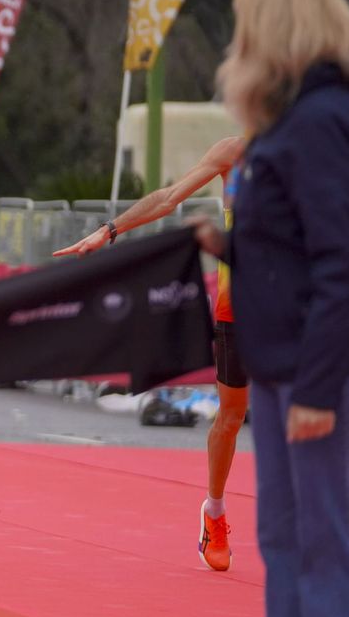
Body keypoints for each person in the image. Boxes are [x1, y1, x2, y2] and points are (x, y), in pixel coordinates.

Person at [199, 0, 349, 617]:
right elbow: (292, 248)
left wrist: (317, 387)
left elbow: (345, 263)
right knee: (285, 546)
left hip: (321, 371)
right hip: (281, 367)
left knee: (329, 546)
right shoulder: (289, 123)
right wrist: (224, 245)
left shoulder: (326, 120)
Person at [55, 135, 250, 572]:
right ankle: (214, 511)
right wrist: (109, 231)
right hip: (238, 311)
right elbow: (168, 199)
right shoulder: (233, 153)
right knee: (232, 415)